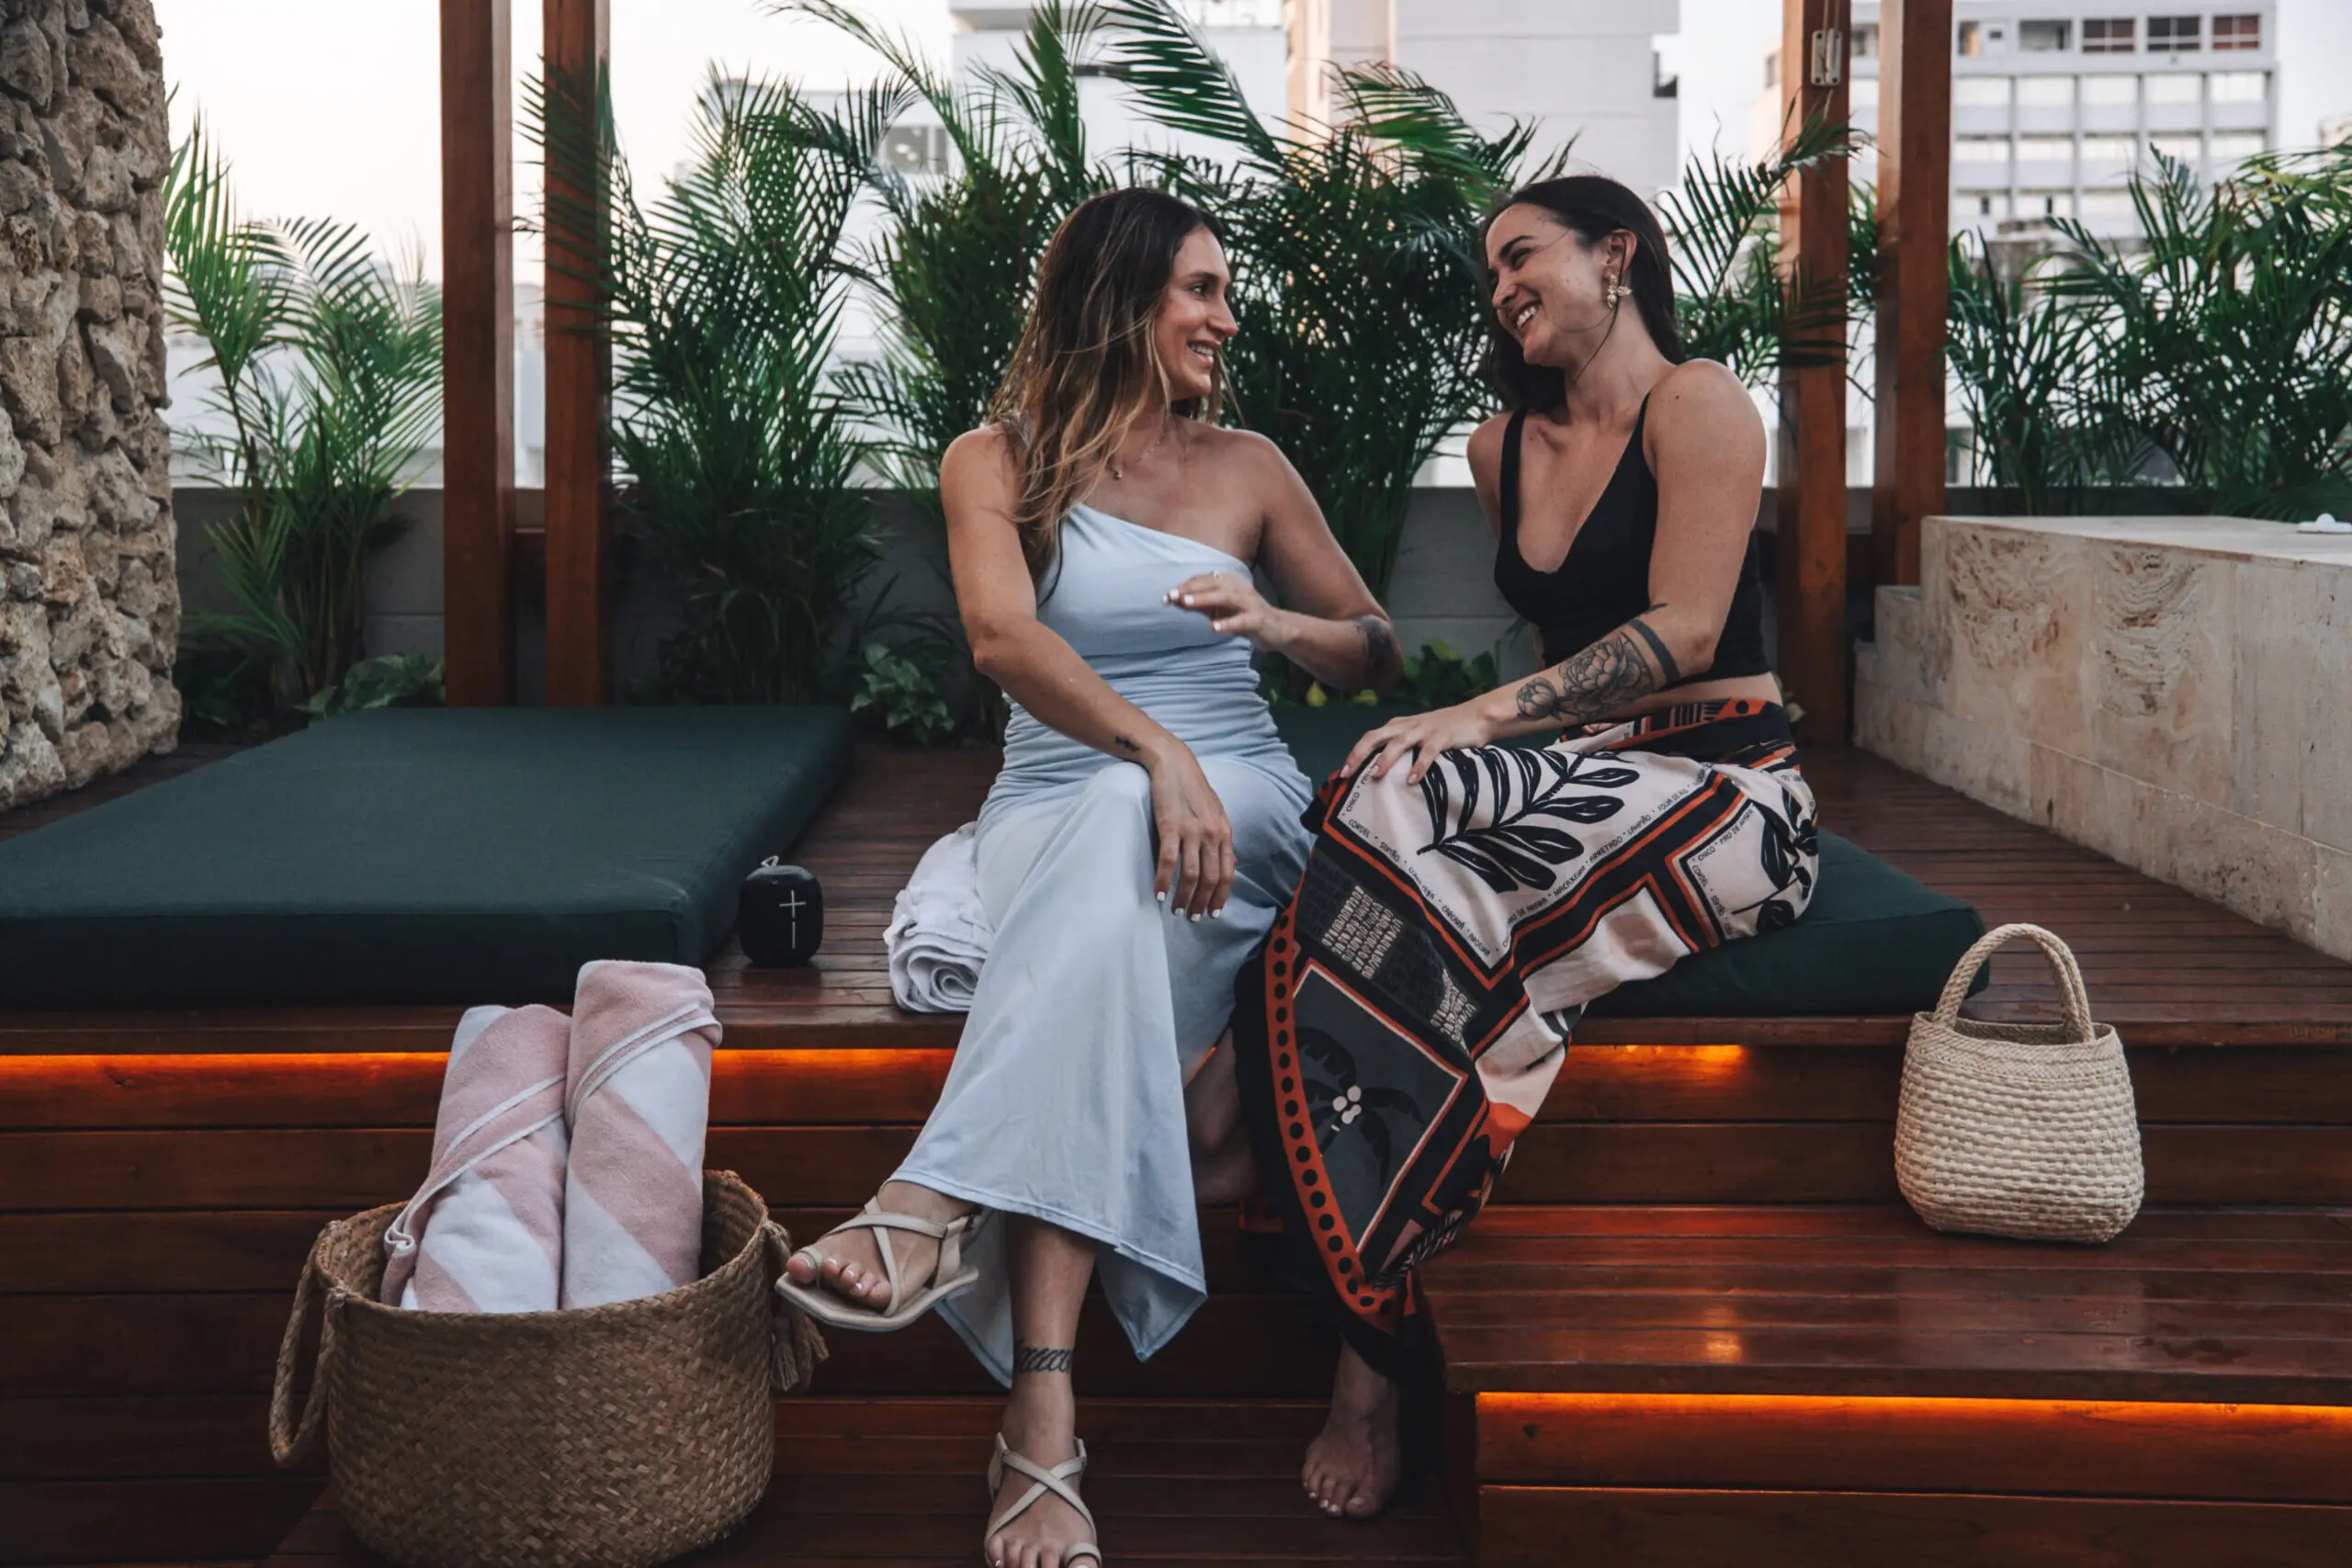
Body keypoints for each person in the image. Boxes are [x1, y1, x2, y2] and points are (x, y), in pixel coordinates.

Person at [779, 187, 1401, 1568]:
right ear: (1120, 298)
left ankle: (967, 1275)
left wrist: (1273, 620)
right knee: (1112, 836)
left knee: (1126, 837)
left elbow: (1375, 646)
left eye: (1225, 290)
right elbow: (1004, 643)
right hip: (1060, 802)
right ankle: (1033, 1407)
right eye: (1200, 288)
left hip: (1238, 809)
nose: (1225, 317)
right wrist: (1148, 751)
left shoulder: (1248, 464)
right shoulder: (991, 463)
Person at [1189, 174, 1821, 1520]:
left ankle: (1357, 1335)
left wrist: (1476, 723)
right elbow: (1560, 666)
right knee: (1367, 797)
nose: (1503, 287)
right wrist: (1467, 759)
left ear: (1617, 254)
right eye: (1492, 272)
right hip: (1587, 770)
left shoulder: (1699, 402)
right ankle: (1325, 1132)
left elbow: (1686, 631)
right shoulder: (1501, 450)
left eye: (1522, 255)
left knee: (1439, 889)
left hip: (1730, 794)